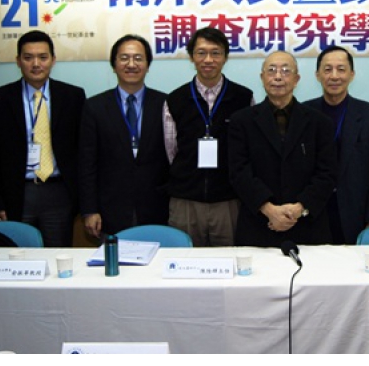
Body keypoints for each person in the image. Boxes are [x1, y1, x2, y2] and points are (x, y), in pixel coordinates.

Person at [0, 31, 85, 247]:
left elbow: (82, 150)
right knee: (17, 254)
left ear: (53, 60)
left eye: (43, 57)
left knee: (57, 254)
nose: (36, 64)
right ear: (18, 61)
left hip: (59, 192)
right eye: (28, 58)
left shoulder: (73, 96)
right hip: (16, 192)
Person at [228, 51, 337, 247]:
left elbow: (327, 174)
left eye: (286, 71)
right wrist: (269, 209)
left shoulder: (320, 122)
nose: (278, 76)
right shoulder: (241, 121)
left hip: (307, 225)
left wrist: (299, 209)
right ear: (262, 77)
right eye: (271, 70)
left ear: (297, 79)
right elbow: (239, 172)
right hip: (258, 225)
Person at [163, 27, 254, 246]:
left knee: (230, 260)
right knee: (185, 259)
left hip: (229, 200)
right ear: (191, 57)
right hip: (186, 200)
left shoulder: (243, 98)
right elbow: (171, 151)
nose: (208, 60)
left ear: (225, 57)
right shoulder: (175, 100)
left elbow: (249, 151)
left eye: (215, 53)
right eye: (201, 53)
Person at [79, 34, 169, 238]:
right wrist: (89, 210)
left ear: (148, 65)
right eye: (124, 58)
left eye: (138, 58)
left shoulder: (165, 104)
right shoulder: (94, 107)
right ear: (114, 65)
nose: (131, 64)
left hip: (157, 207)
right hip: (110, 209)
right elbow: (87, 164)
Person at [304, 45, 369, 244]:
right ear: (317, 75)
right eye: (327, 69)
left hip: (355, 212)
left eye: (341, 69)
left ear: (351, 74)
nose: (334, 76)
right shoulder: (304, 113)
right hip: (313, 212)